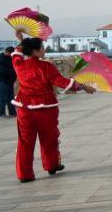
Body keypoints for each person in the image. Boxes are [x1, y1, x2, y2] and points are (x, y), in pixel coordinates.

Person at [12, 34, 96, 182]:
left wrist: (21, 41)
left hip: (24, 108)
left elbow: (17, 54)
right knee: (49, 138)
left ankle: (24, 174)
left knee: (25, 142)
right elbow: (62, 82)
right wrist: (82, 86)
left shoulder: (18, 64)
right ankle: (51, 165)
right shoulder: (46, 66)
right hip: (45, 108)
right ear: (36, 51)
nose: (44, 50)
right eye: (42, 48)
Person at [0, 46, 17, 117]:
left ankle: (12, 113)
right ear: (7, 52)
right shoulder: (0, 58)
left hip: (10, 80)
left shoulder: (11, 58)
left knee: (11, 97)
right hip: (2, 80)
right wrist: (11, 72)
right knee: (2, 97)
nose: (11, 55)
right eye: (11, 53)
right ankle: (1, 113)